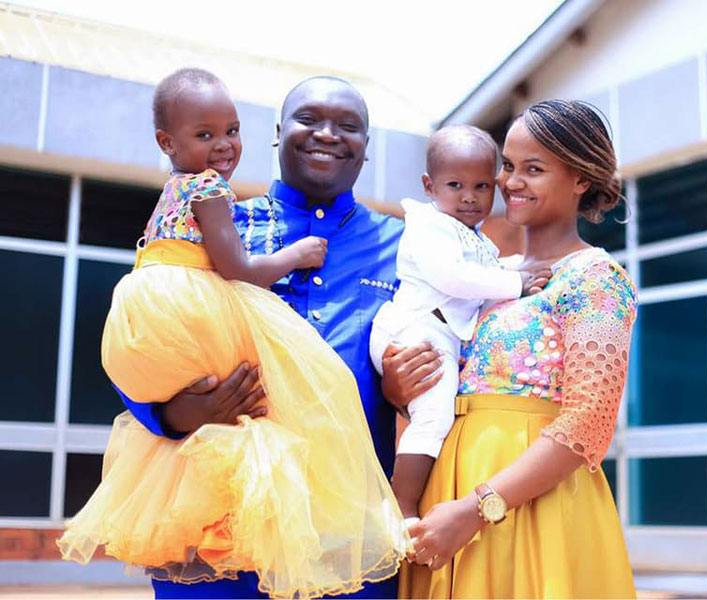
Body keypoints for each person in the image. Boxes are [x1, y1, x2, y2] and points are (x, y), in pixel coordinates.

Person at [57, 68, 407, 599]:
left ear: (367, 147)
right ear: (276, 133)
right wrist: (177, 413)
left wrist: (408, 389)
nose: (328, 134)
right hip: (215, 535)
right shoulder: (213, 229)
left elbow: (452, 350)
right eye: (308, 119)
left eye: (349, 125)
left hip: (344, 536)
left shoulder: (405, 248)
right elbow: (145, 340)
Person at [400, 99, 638, 598]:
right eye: (507, 166)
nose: (510, 183)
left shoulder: (596, 278)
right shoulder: (486, 275)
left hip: (533, 511)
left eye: (534, 169)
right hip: (447, 498)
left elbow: (588, 422)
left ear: (580, 179)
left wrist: (476, 508)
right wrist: (398, 385)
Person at [369, 125, 551, 525]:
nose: (470, 196)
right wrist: (516, 281)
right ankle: (401, 504)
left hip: (437, 331)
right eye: (456, 184)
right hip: (414, 330)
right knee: (434, 414)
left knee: (441, 416)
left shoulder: (474, 236)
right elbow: (453, 277)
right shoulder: (428, 225)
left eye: (482, 186)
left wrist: (519, 269)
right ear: (429, 185)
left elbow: (483, 271)